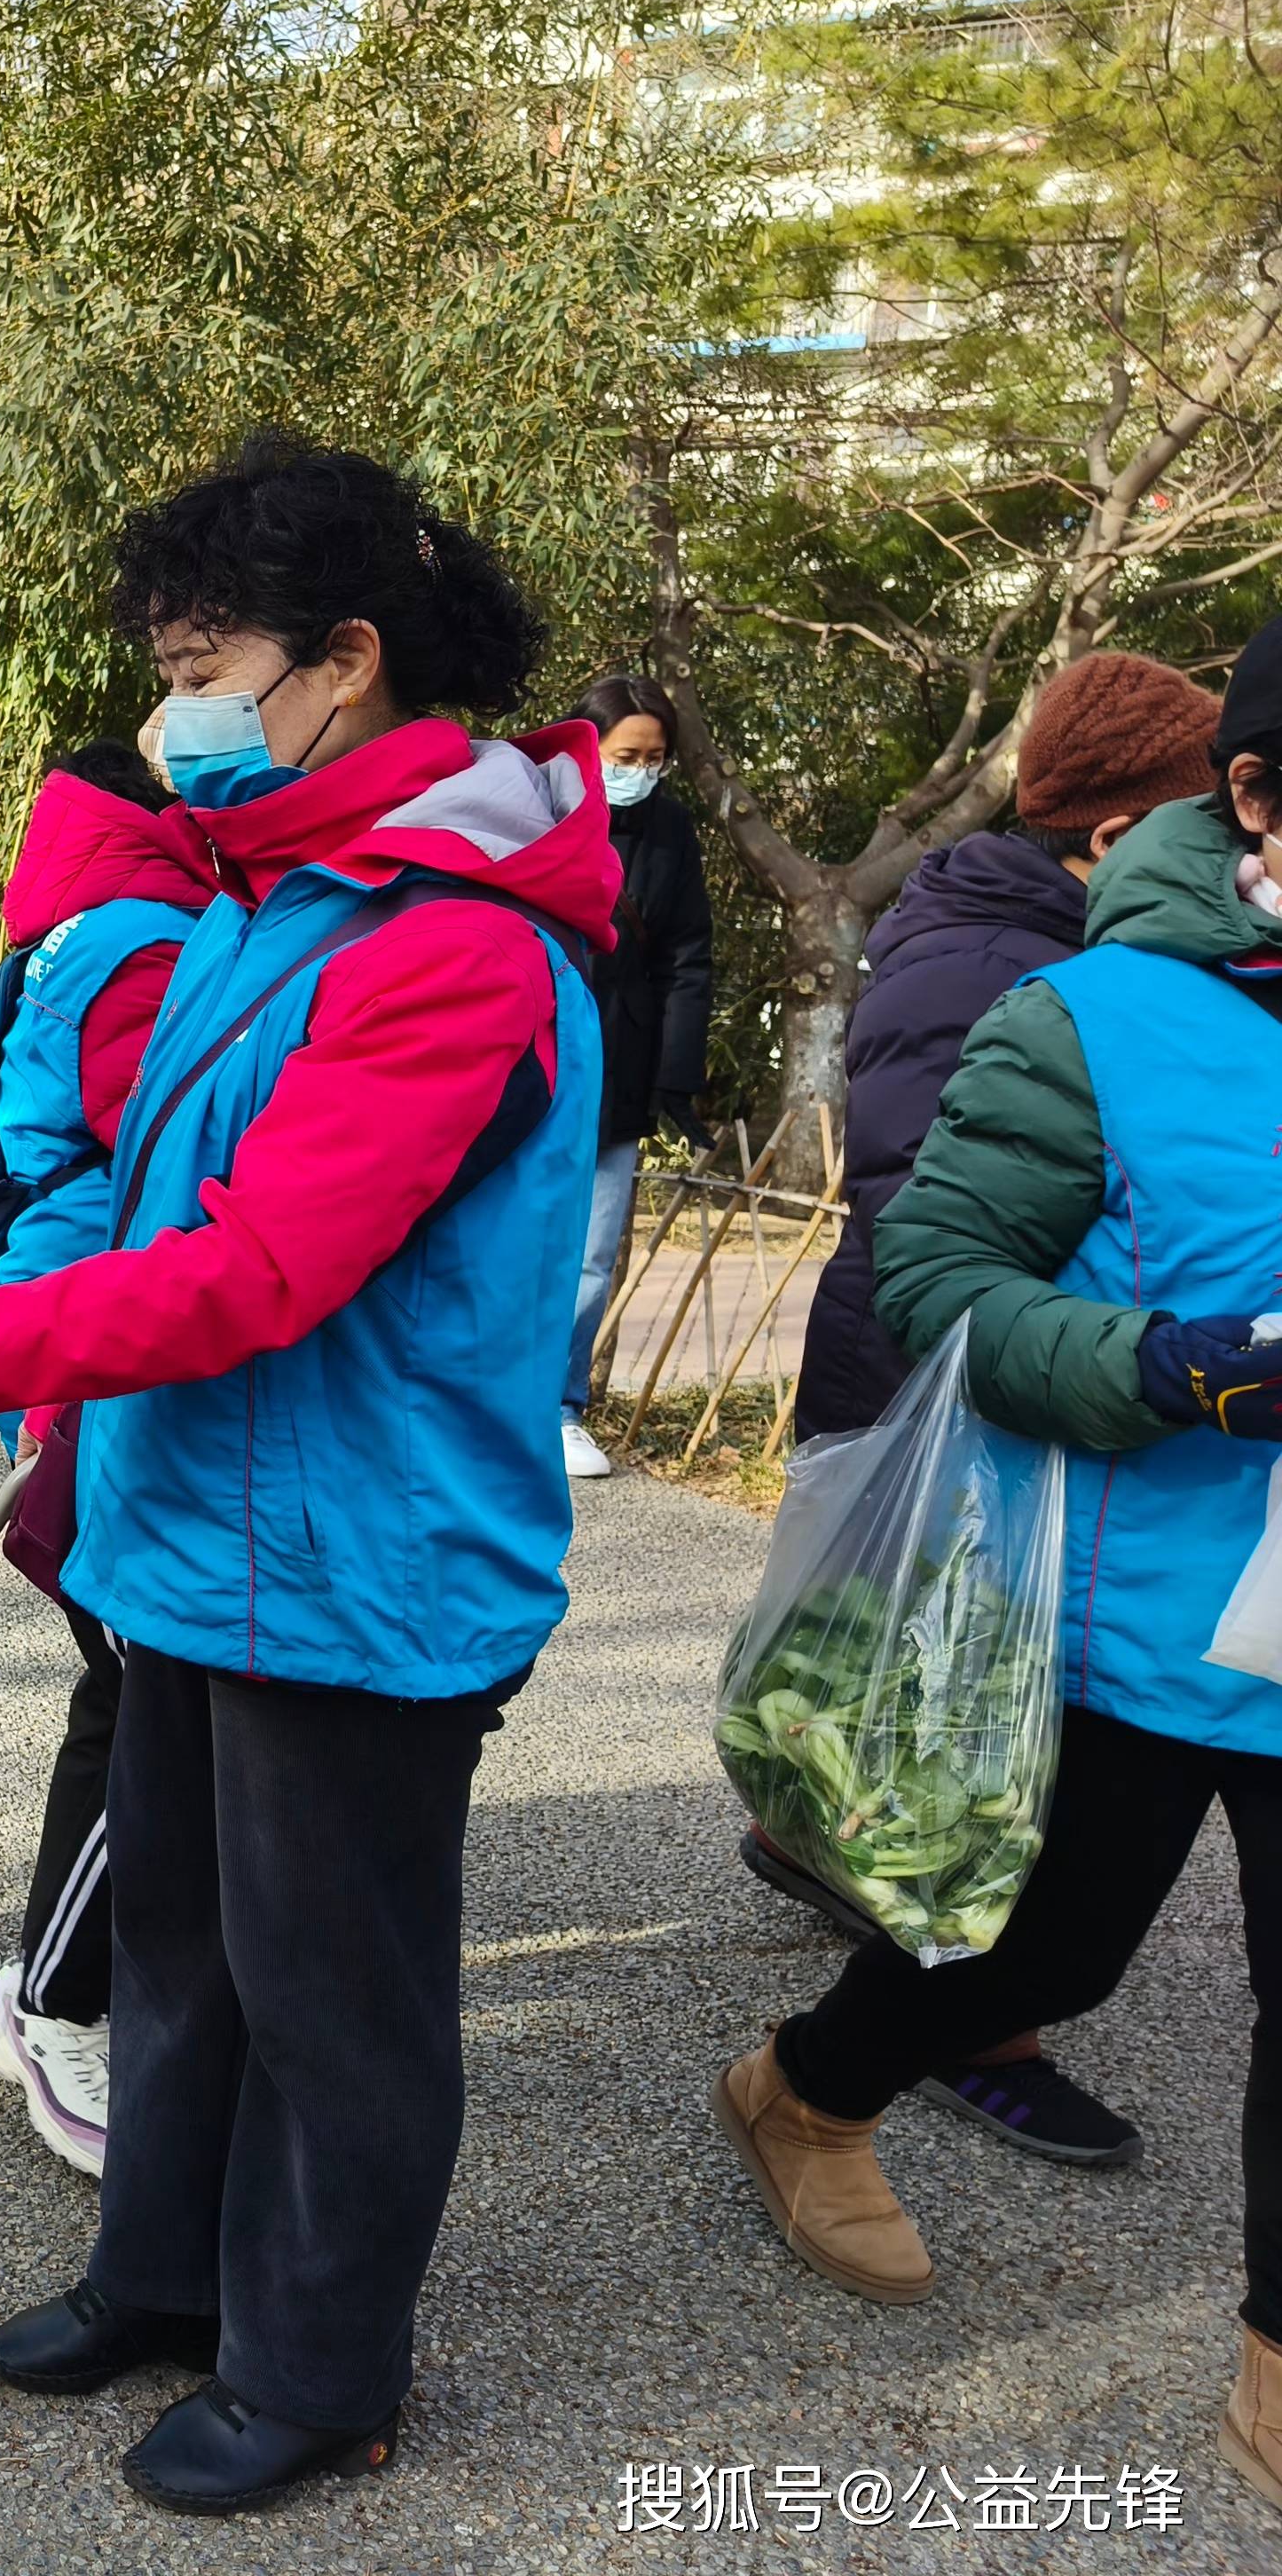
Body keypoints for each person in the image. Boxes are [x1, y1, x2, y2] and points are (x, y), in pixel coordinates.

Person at [0, 437, 614, 2514]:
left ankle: (323, 2359)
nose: (178, 709)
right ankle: (163, 2268)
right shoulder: (267, 899)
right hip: (188, 1531)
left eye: (207, 656)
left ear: (350, 657)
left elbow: (256, 1269)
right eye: (162, 663)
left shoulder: (455, 945)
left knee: (338, 1987)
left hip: (358, 1556)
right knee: (180, 1938)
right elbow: (128, 1199)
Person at [711, 617, 1282, 2521]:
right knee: (1049, 1947)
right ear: (1251, 800)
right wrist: (1167, 1367)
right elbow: (941, 1286)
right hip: (1146, 1616)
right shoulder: (1090, 1018)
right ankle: (802, 2086)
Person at [742, 649, 1223, 2167]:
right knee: (977, 1740)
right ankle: (958, 2029)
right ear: (1111, 831)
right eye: (1197, 815)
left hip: (995, 1396)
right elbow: (930, 1220)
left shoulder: (1050, 932)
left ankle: (862, 1908)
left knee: (945, 1722)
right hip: (937, 1403)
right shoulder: (1002, 964)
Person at [0, 736, 214, 2172]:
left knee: (137, 1674)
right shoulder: (145, 938)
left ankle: (82, 1981)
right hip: (92, 1343)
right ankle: (52, 1998)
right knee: (142, 1679)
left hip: (68, 1317)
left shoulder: (83, 920)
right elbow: (180, 1156)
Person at [557, 674, 712, 1479]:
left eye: (655, 759)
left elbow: (688, 957)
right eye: (627, 755)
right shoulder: (539, 809)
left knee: (591, 1253)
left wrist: (676, 1078)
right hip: (529, 1059)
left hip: (620, 1064)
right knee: (506, 1239)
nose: (640, 771)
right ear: (589, 747)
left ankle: (560, 1405)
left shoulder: (668, 829)